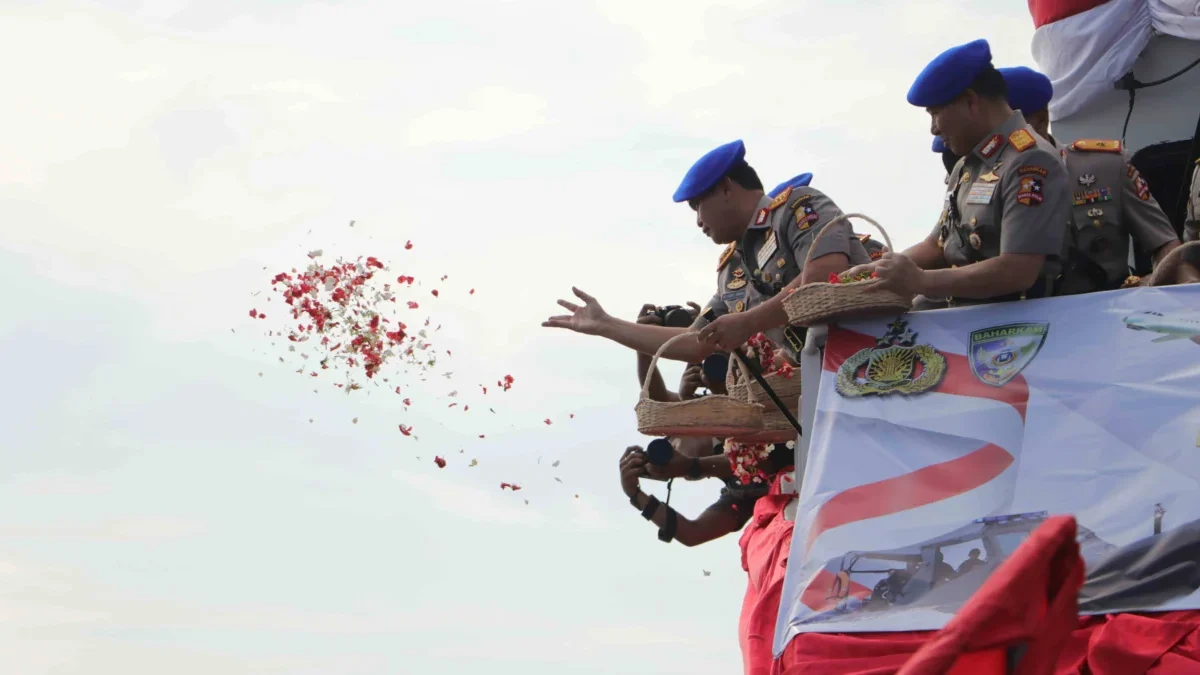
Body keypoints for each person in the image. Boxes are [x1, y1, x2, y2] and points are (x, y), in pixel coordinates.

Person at [544, 140, 869, 363]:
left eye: (699, 206)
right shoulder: (734, 267)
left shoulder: (798, 206)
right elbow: (695, 342)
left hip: (878, 349)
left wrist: (748, 321)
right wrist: (608, 325)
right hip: (826, 373)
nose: (699, 220)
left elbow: (826, 276)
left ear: (727, 188)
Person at [846, 39, 1072, 307]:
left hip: (1023, 333)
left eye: (935, 113)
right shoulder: (968, 166)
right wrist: (877, 274)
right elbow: (936, 246)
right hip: (970, 327)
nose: (934, 129)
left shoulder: (1029, 159)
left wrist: (920, 281)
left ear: (970, 101)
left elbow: (1017, 269)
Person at [998, 65, 1193, 290]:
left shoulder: (1107, 167)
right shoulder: (979, 183)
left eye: (1008, 128)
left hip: (1105, 314)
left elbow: (1165, 244)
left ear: (1041, 120)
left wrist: (1152, 285)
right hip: (1020, 320)